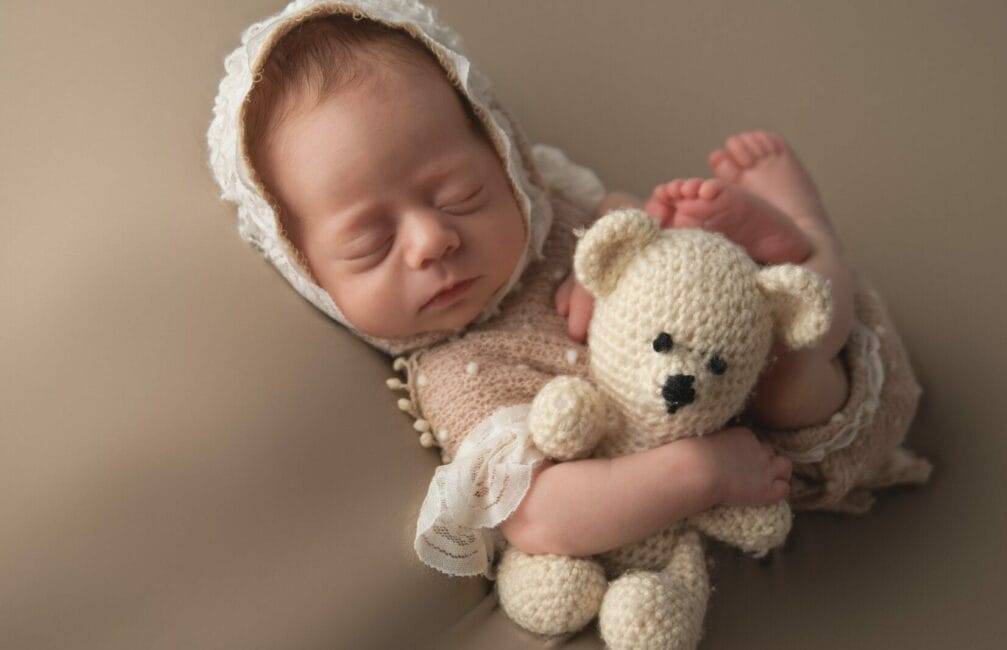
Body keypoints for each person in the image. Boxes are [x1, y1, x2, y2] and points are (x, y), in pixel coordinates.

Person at [207, 0, 931, 600]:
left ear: (507, 156)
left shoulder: (559, 218)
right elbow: (541, 518)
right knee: (791, 388)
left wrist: (628, 246)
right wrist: (699, 472)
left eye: (462, 194)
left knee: (776, 323)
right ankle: (801, 245)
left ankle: (803, 238)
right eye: (368, 243)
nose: (432, 239)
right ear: (309, 275)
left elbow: (637, 228)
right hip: (783, 446)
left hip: (778, 329)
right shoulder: (464, 374)